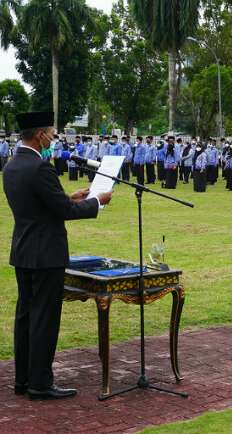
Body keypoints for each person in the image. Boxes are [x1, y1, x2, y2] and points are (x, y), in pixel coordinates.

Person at [3, 111, 112, 400]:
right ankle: (41, 383)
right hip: (46, 254)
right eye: (50, 132)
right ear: (39, 135)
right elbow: (63, 213)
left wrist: (71, 196)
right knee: (44, 318)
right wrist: (94, 202)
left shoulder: (12, 166)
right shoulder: (40, 167)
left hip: (24, 251)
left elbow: (44, 205)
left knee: (26, 317)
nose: (53, 137)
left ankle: (24, 380)